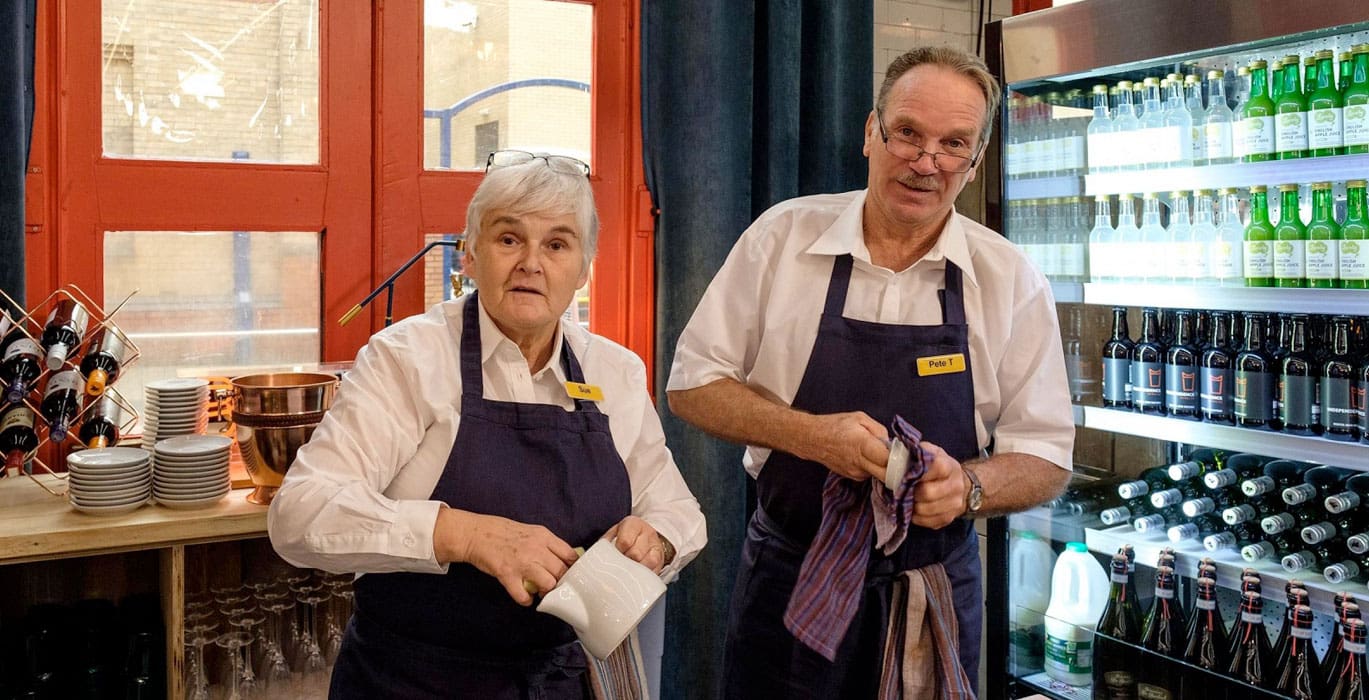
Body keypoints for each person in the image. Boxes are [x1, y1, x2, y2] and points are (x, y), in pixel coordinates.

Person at [666, 46, 1074, 697]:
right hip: (789, 585)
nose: (924, 161)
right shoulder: (782, 240)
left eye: (951, 145)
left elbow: (1047, 456)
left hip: (928, 596)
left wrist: (967, 488)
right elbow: (691, 386)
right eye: (907, 133)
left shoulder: (1008, 279)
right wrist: (808, 436)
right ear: (869, 133)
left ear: (972, 164)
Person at [269, 150, 707, 699]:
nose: (531, 262)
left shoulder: (614, 372)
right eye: (508, 239)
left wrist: (657, 542)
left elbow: (679, 510)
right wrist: (466, 535)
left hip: (560, 683)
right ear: (469, 256)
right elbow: (299, 515)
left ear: (583, 269)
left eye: (557, 244)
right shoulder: (406, 359)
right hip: (411, 683)